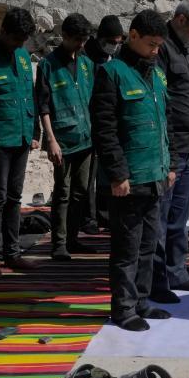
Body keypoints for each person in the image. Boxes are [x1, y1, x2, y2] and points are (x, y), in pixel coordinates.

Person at [90, 10, 174, 331]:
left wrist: (170, 165)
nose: (155, 51)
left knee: (148, 244)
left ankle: (141, 301)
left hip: (155, 173)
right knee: (127, 247)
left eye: (159, 46)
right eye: (151, 44)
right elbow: (105, 130)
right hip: (129, 178)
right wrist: (117, 174)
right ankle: (123, 308)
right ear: (133, 36)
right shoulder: (112, 73)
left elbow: (163, 123)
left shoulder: (155, 73)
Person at [151, 0, 189, 303]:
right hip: (171, 148)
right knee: (161, 218)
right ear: (179, 19)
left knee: (179, 217)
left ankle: (177, 271)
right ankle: (157, 278)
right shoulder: (161, 48)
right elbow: (161, 98)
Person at [0, 8, 40, 280]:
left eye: (23, 41)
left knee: (15, 197)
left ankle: (12, 252)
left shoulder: (24, 56)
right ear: (3, 31)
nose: (19, 45)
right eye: (16, 39)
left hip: (22, 135)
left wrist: (35, 130)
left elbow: (30, 94)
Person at [36, 13, 95, 261]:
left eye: (84, 40)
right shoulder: (48, 65)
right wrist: (51, 140)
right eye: (77, 40)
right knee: (63, 192)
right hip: (62, 139)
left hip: (86, 139)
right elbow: (44, 105)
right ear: (66, 37)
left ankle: (73, 238)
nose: (81, 45)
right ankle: (58, 243)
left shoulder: (86, 64)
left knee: (81, 191)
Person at [84, 15, 124, 231]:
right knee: (89, 175)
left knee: (108, 170)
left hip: (109, 120)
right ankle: (90, 217)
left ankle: (105, 214)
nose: (114, 46)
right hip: (88, 121)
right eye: (112, 42)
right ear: (100, 39)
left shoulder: (115, 57)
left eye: (118, 42)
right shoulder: (86, 57)